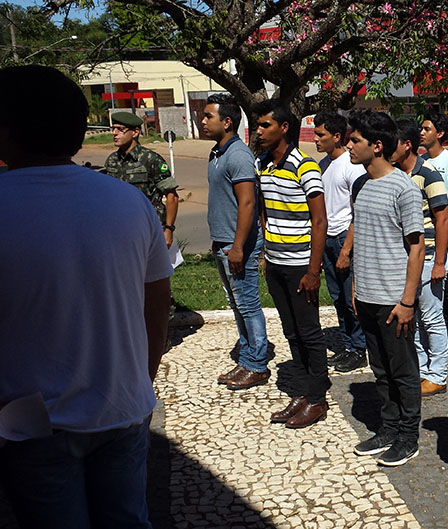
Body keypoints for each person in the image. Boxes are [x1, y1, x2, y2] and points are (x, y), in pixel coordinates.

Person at [0, 65, 172, 528]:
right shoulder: (127, 202)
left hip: (31, 424)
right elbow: (157, 307)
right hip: (122, 409)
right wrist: (144, 381)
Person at [347, 111, 425, 466]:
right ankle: (389, 427)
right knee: (379, 370)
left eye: (355, 140)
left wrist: (408, 300)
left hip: (395, 300)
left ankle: (409, 436)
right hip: (367, 296)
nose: (349, 145)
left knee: (403, 372)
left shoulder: (404, 188)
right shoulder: (360, 185)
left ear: (376, 146)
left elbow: (417, 247)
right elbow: (364, 240)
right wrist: (356, 288)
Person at [254, 99, 330, 427]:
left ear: (284, 128)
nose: (259, 131)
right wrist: (265, 249)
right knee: (290, 332)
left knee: (309, 332)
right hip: (275, 263)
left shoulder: (305, 166)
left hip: (301, 267)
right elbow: (264, 207)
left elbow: (320, 221)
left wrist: (313, 271)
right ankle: (301, 392)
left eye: (265, 125)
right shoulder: (263, 164)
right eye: (257, 125)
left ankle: (317, 399)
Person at [201, 93, 271, 390]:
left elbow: (248, 205)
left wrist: (239, 247)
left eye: (208, 116)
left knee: (248, 304)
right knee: (237, 304)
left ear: (226, 121)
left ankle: (257, 364)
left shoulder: (238, 155)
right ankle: (247, 358)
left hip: (237, 245)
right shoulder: (217, 153)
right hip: (223, 243)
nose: (202, 121)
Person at [391, 119, 448, 397]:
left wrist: (439, 262)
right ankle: (422, 369)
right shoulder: (396, 174)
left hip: (428, 258)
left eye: (394, 143)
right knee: (413, 316)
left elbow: (443, 217)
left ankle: (438, 374)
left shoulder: (428, 174)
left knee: (432, 318)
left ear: (407, 145)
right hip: (407, 260)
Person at [313, 111, 368, 372]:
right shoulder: (323, 166)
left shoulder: (351, 165)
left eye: (320, 134)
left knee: (350, 298)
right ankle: (347, 346)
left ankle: (359, 348)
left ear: (337, 136)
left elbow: (358, 211)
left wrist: (347, 249)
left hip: (345, 238)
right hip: (327, 239)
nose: (315, 139)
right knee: (336, 297)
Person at [420, 112, 448, 352]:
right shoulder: (422, 162)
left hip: (447, 239)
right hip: (427, 239)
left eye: (427, 128)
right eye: (422, 128)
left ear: (440, 133)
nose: (422, 133)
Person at [104, 111, 180, 248]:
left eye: (120, 129)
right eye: (113, 129)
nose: (114, 133)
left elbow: (172, 196)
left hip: (149, 229)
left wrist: (169, 229)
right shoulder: (111, 161)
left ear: (135, 132)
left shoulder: (150, 159)